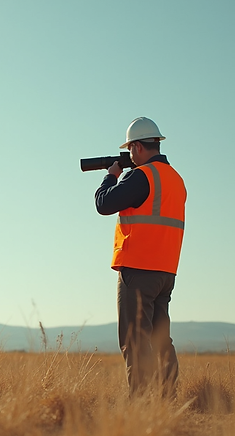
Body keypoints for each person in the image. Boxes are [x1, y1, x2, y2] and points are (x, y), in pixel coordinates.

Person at [94, 117, 186, 397]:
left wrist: (111, 175)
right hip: (166, 271)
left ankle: (141, 403)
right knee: (160, 339)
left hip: (138, 269)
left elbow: (104, 203)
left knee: (134, 339)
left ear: (136, 147)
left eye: (130, 150)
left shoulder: (141, 176)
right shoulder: (176, 179)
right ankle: (168, 396)